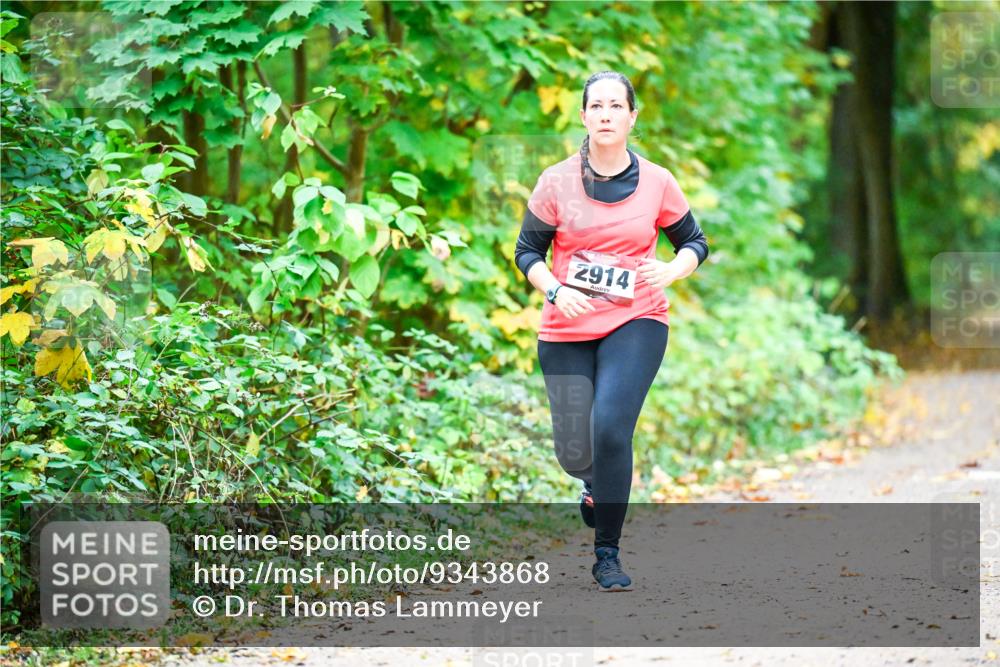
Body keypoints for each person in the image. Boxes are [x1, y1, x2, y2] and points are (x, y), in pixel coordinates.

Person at [513, 71, 709, 591]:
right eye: (595, 106)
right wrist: (555, 289)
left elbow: (695, 242)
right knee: (574, 450)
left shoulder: (658, 181)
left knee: (611, 426)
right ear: (583, 117)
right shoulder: (555, 181)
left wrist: (672, 270)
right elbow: (526, 252)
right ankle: (592, 483)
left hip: (636, 318)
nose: (604, 114)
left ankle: (607, 555)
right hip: (567, 322)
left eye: (615, 106)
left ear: (630, 117)